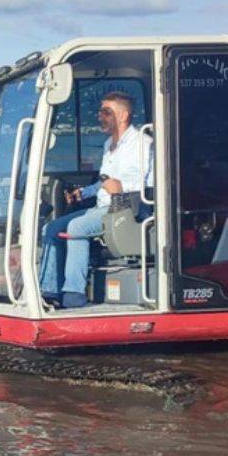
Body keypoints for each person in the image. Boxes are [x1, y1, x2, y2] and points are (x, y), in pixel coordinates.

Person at [38, 91, 153, 308]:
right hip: (103, 207)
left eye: (106, 112)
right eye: (100, 112)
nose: (100, 116)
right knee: (51, 229)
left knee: (76, 227)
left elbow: (149, 185)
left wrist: (122, 187)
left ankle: (74, 294)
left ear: (124, 115)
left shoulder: (143, 144)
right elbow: (105, 181)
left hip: (127, 208)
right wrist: (85, 193)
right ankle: (50, 291)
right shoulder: (109, 144)